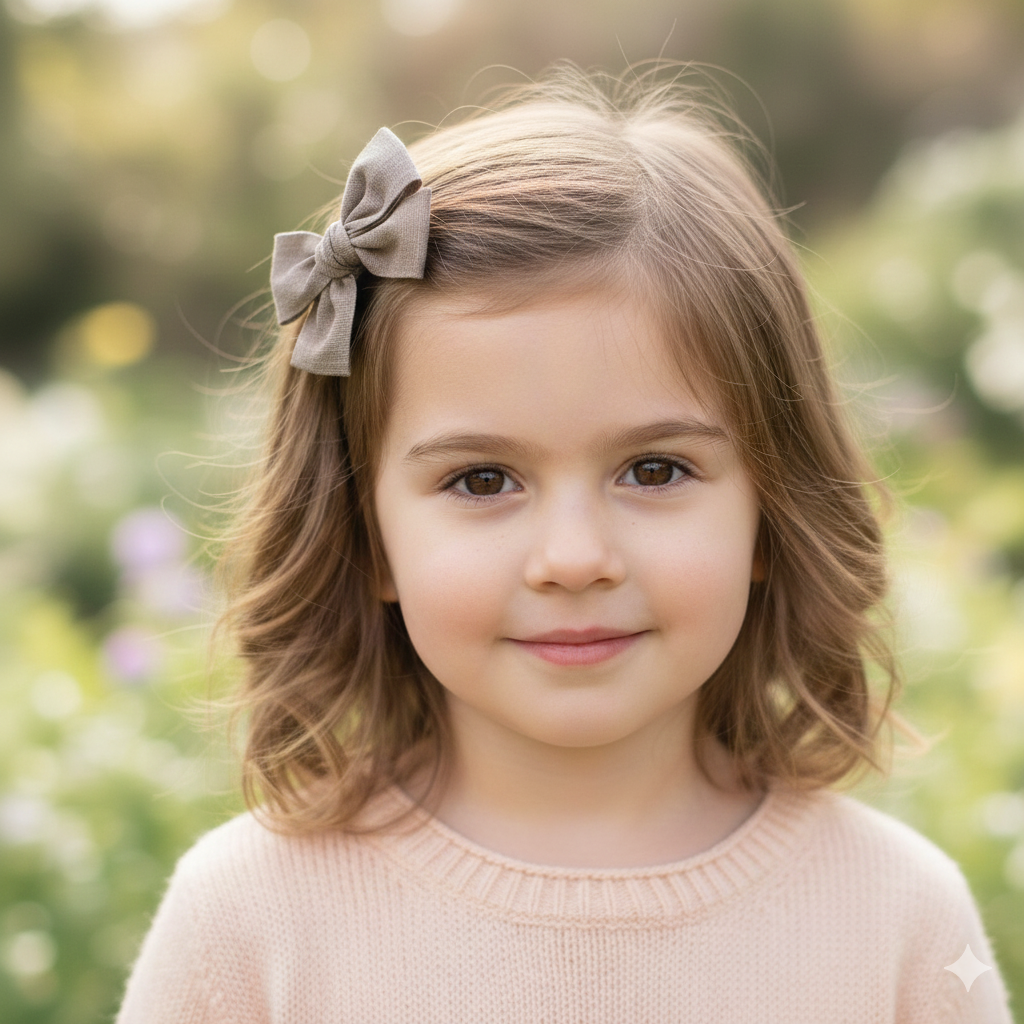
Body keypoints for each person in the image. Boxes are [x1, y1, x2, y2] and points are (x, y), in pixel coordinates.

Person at [115, 65, 1014, 1023]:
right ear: (368, 536)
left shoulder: (897, 920)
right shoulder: (250, 921)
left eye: (656, 471)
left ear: (771, 504)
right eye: (482, 481)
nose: (575, 557)